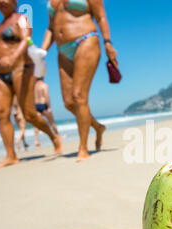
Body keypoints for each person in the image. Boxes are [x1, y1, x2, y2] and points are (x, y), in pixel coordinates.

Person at [0, 0, 62, 168]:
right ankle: (11, 155)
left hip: (22, 68)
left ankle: (54, 137)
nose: (1, 2)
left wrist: (13, 57)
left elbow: (27, 40)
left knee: (29, 114)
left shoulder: (23, 19)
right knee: (1, 113)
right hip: (1, 74)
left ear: (15, 1)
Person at [41, 0, 118, 161]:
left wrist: (108, 43)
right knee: (69, 102)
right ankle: (98, 127)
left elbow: (101, 17)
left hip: (85, 39)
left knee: (79, 96)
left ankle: (83, 147)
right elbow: (50, 27)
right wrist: (41, 52)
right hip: (62, 50)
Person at [33, 77, 59, 148]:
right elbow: (46, 96)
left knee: (36, 125)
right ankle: (57, 136)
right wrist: (49, 107)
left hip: (36, 105)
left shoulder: (34, 86)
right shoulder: (44, 85)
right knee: (52, 122)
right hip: (44, 105)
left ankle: (36, 140)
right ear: (43, 77)